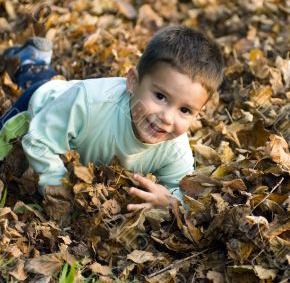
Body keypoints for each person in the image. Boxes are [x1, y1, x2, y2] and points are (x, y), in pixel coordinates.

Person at [0, 26, 224, 215]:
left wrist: (169, 201)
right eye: (160, 96)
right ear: (133, 82)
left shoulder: (175, 149)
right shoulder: (88, 103)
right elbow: (39, 141)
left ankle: (33, 62)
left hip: (67, 102)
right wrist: (57, 187)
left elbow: (184, 192)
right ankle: (27, 61)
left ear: (198, 113)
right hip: (41, 106)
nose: (166, 117)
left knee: (52, 81)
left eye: (185, 110)